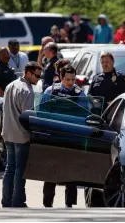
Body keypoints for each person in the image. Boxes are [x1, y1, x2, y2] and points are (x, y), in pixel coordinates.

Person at [40, 64, 86, 208]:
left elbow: (85, 115)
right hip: (54, 136)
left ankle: (69, 204)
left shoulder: (80, 94)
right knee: (51, 171)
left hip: (71, 137)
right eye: (67, 79)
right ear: (61, 77)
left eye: (73, 79)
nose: (71, 83)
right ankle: (47, 203)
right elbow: (42, 112)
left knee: (71, 170)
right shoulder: (50, 91)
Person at [1, 62, 43, 207]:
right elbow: (29, 118)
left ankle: (6, 201)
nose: (38, 79)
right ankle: (18, 201)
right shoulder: (27, 90)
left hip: (8, 133)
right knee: (20, 170)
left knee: (9, 168)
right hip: (21, 135)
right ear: (28, 73)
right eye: (37, 76)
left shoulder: (10, 85)